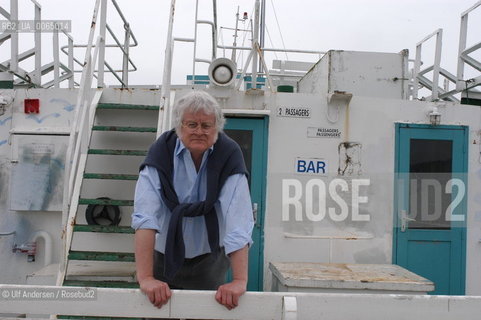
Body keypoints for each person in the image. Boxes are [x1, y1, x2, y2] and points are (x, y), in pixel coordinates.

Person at [132, 90, 254, 310]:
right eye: (192, 125)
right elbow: (145, 216)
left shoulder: (229, 154)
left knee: (204, 314)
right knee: (154, 313)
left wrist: (238, 281)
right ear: (179, 127)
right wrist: (146, 278)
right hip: (162, 254)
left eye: (206, 126)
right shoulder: (161, 152)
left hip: (209, 257)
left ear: (217, 127)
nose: (199, 132)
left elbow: (238, 217)